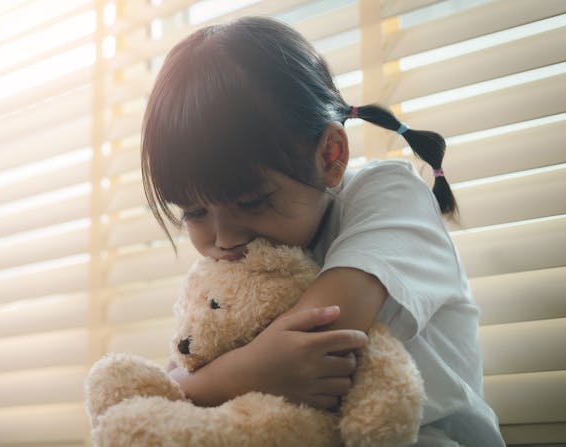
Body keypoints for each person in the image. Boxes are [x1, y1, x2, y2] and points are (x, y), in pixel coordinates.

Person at [140, 16, 504, 446]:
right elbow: (183, 368)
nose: (224, 240)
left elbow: (322, 337)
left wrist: (212, 381)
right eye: (195, 212)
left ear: (330, 155)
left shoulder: (389, 193)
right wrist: (209, 382)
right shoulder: (229, 270)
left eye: (252, 202)